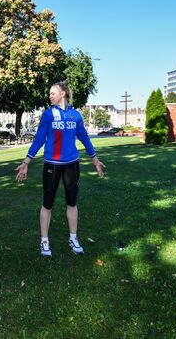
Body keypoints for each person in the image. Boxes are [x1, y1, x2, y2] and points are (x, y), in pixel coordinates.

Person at [15, 81, 105, 257]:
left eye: (53, 93)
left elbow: (85, 138)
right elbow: (39, 139)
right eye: (49, 93)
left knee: (72, 202)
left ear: (63, 93)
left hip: (72, 165)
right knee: (47, 203)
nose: (50, 96)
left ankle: (73, 238)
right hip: (52, 165)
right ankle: (44, 241)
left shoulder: (75, 115)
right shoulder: (48, 115)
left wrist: (94, 159)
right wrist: (26, 162)